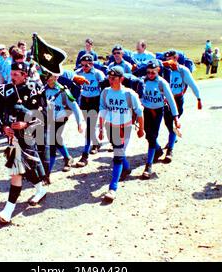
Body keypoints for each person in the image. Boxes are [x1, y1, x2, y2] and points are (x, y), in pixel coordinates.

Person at [0, 62, 47, 224]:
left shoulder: (34, 90)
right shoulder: (5, 90)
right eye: (12, 73)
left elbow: (43, 114)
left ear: (25, 75)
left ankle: (8, 211)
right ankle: (41, 190)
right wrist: (4, 127)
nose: (13, 77)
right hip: (12, 138)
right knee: (23, 170)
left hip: (28, 136)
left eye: (17, 74)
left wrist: (26, 124)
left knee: (19, 171)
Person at [98, 66, 144, 202]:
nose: (110, 80)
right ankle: (127, 168)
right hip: (110, 127)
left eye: (114, 78)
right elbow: (102, 111)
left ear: (121, 79)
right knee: (119, 151)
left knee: (117, 156)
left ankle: (113, 188)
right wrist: (100, 129)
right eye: (109, 78)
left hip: (125, 128)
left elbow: (140, 112)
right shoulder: (105, 93)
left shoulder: (129, 94)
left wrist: (141, 129)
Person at [140, 61, 180, 179]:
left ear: (158, 71)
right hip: (146, 111)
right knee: (148, 135)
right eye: (148, 72)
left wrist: (176, 118)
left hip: (157, 112)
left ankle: (149, 165)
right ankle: (157, 150)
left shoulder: (162, 83)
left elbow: (171, 100)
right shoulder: (143, 81)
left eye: (153, 72)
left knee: (152, 137)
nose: (150, 75)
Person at [162, 50, 202, 162]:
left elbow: (192, 84)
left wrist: (198, 98)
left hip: (177, 100)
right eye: (167, 58)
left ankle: (170, 150)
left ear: (176, 58)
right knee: (168, 123)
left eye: (171, 58)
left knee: (174, 123)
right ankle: (172, 138)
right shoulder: (164, 70)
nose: (169, 60)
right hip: (165, 101)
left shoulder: (183, 71)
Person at [43, 73, 84, 180]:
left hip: (60, 118)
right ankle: (67, 157)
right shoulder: (43, 89)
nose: (47, 79)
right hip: (47, 118)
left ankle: (47, 174)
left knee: (52, 142)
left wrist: (80, 123)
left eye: (50, 76)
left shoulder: (63, 91)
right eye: (47, 77)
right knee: (56, 139)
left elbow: (75, 107)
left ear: (56, 78)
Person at [75, 54, 106, 167]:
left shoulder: (98, 74)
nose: (85, 67)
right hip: (84, 100)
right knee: (89, 125)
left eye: (87, 65)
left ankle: (85, 156)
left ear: (92, 64)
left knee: (90, 127)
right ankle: (96, 144)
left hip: (94, 101)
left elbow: (104, 88)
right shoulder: (79, 73)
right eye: (83, 65)